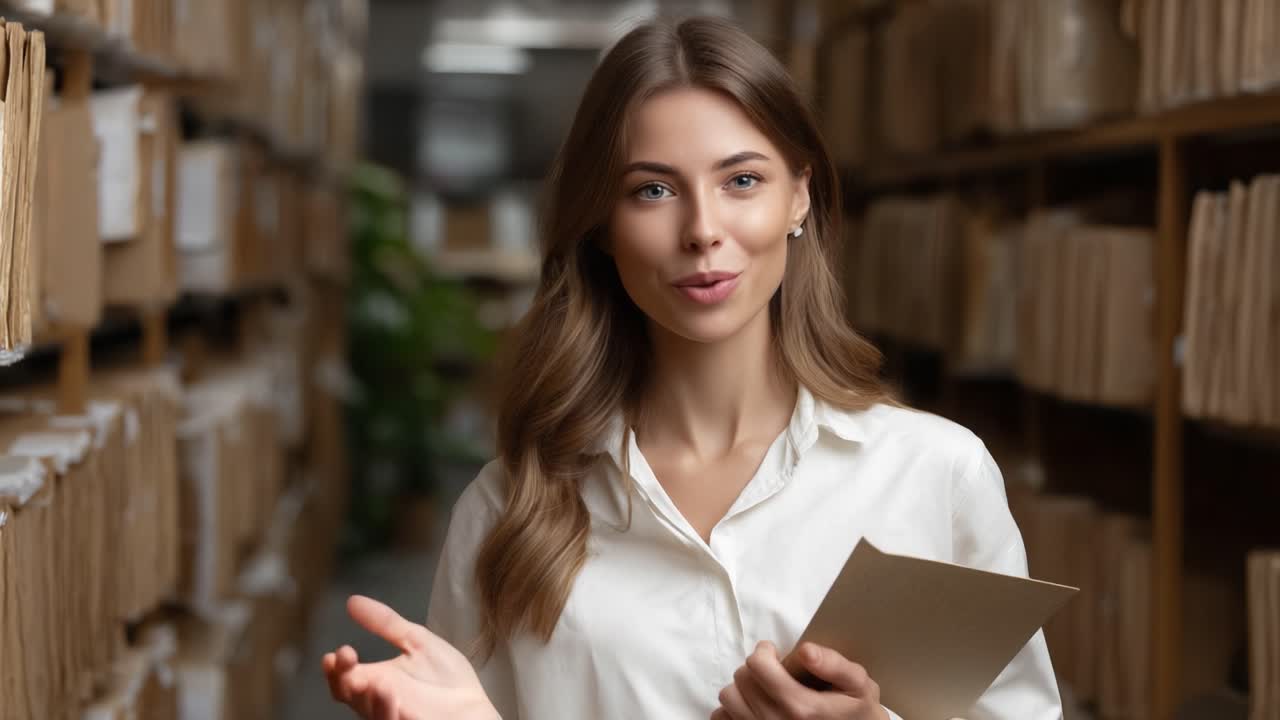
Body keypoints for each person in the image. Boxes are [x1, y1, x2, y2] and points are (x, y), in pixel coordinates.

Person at [322, 15, 1062, 720]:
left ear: (799, 195)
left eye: (742, 180)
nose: (703, 231)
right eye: (653, 190)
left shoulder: (935, 475)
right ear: (603, 226)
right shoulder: (507, 513)